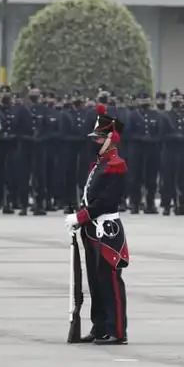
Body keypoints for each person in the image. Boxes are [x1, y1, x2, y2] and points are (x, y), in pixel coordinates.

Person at [65, 103, 130, 345]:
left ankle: (117, 330)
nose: (95, 141)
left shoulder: (116, 165)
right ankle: (100, 327)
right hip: (93, 229)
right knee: (94, 280)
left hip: (107, 229)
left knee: (110, 281)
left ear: (110, 139)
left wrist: (81, 217)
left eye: (100, 137)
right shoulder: (99, 164)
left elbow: (106, 201)